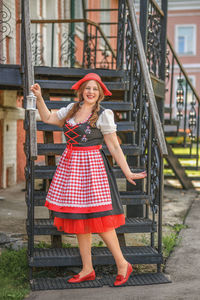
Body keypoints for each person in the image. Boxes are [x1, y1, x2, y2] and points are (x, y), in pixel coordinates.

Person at [31, 73, 146, 286]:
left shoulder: (103, 114)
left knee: (101, 220)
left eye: (95, 88)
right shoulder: (71, 109)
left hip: (93, 169)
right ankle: (87, 268)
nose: (91, 92)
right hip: (71, 168)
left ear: (100, 93)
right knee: (78, 219)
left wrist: (128, 171)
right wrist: (39, 97)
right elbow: (48, 118)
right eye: (87, 88)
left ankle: (122, 264)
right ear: (81, 91)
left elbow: (114, 146)